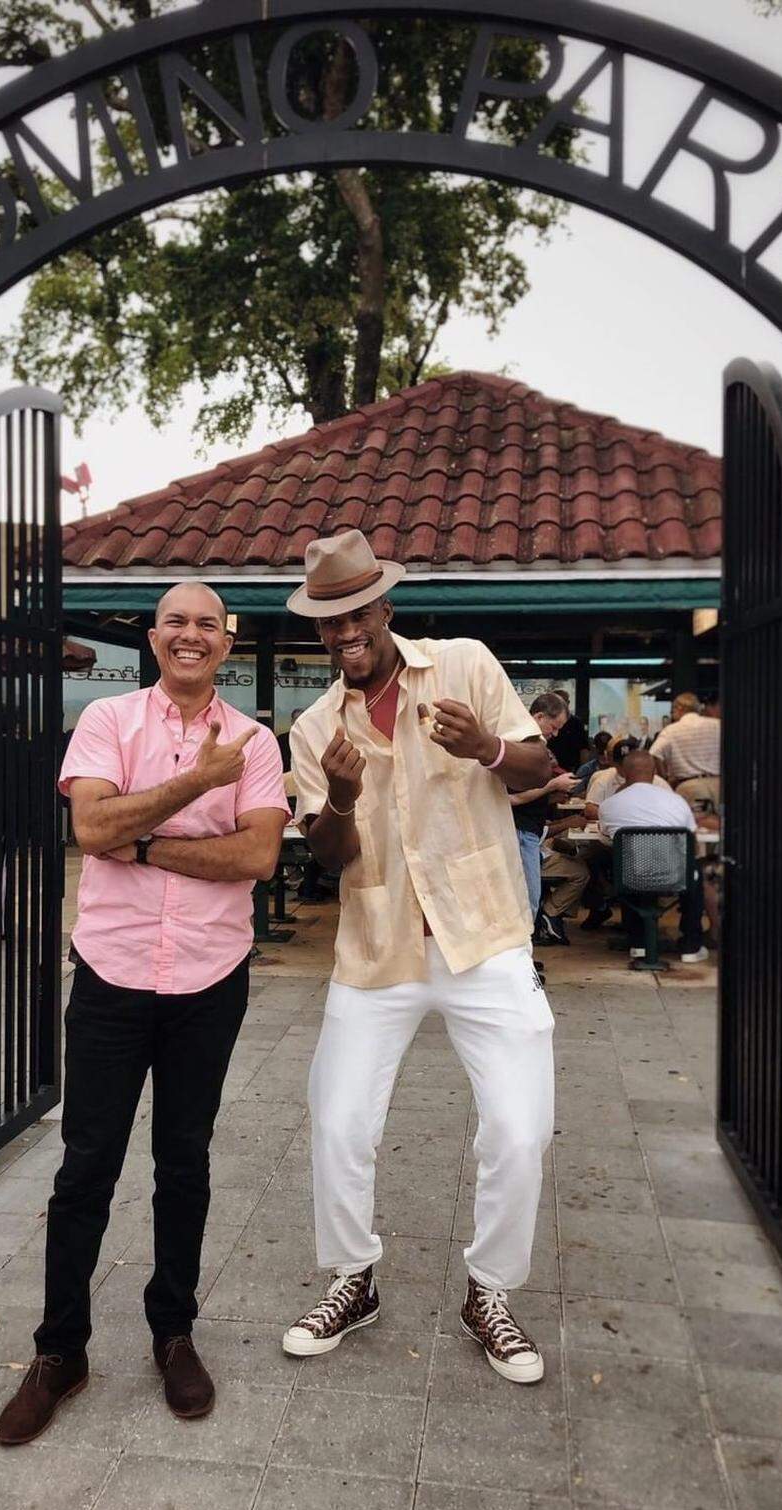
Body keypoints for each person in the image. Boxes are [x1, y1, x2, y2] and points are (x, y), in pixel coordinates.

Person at [0, 583, 288, 1443]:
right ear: (153, 635)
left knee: (183, 1162)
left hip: (209, 977)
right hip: (113, 975)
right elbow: (92, 825)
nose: (190, 635)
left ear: (226, 641)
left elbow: (260, 853)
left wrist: (149, 842)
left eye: (207, 623)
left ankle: (173, 1331)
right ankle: (60, 1350)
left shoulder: (256, 741)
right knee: (85, 1165)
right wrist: (197, 786)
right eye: (176, 622)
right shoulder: (108, 723)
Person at [280, 529, 555, 1385]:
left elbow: (540, 766)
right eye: (327, 620)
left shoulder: (466, 665)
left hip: (484, 934)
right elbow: (326, 858)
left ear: (384, 607)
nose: (343, 631)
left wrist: (486, 748)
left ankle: (490, 1291)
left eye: (355, 611)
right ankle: (353, 1276)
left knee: (519, 1126)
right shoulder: (317, 725)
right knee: (338, 1120)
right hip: (378, 942)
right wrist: (344, 798)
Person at [598, 750, 707, 963]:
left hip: (630, 879)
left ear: (624, 773)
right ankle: (691, 946)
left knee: (626, 862)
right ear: (654, 772)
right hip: (674, 877)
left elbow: (606, 838)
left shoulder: (609, 806)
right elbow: (691, 842)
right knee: (695, 871)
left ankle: (638, 942)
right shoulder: (676, 801)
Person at [508, 691, 577, 919]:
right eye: (554, 727)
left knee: (528, 901)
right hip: (520, 831)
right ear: (538, 717)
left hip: (530, 832)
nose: (555, 734)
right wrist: (551, 785)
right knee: (528, 903)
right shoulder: (521, 747)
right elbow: (511, 798)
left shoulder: (530, 747)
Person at [648, 692, 720, 810]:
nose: (672, 714)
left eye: (673, 710)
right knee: (721, 824)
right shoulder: (717, 725)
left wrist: (664, 777)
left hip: (690, 786)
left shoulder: (671, 730)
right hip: (719, 784)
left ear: (680, 708)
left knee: (695, 824)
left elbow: (654, 753)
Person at [547, 688, 589, 772]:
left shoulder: (576, 722)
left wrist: (583, 771)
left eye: (562, 702)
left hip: (571, 768)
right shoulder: (546, 720)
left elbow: (583, 748)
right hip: (549, 767)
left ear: (567, 703)